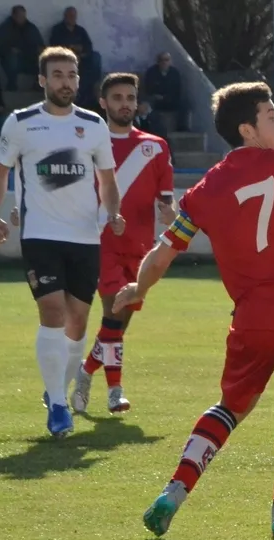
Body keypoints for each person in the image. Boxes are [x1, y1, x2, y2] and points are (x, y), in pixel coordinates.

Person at [111, 82, 274, 538]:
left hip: (253, 320)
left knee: (231, 406)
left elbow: (161, 255)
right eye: (271, 115)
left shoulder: (202, 191)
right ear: (247, 129)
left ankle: (174, 491)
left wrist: (138, 287)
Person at [0, 46, 121, 438]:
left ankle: (59, 392)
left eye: (71, 75)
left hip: (84, 237)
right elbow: (1, 172)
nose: (65, 82)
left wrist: (111, 212)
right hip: (41, 235)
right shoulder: (20, 123)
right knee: (52, 312)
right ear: (42, 80)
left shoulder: (93, 124)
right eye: (57, 75)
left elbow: (108, 181)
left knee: (77, 322)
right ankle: (57, 403)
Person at [68, 73, 176, 415]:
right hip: (101, 243)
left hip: (142, 249)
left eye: (130, 97)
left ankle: (84, 373)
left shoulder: (155, 146)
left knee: (119, 323)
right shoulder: (88, 145)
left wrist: (169, 211)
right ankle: (115, 391)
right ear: (103, 103)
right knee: (114, 311)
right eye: (117, 98)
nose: (125, 104)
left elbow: (167, 199)